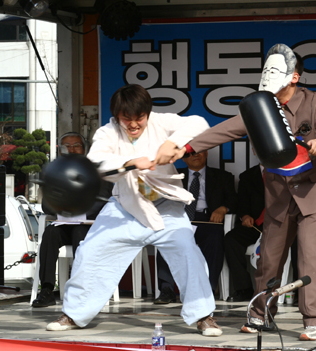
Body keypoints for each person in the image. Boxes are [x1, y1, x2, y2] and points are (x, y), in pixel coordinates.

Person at [183, 44, 316, 341]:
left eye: (276, 70)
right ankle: (261, 315)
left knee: (310, 255)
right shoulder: (260, 106)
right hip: (280, 192)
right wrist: (189, 146)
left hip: (315, 189)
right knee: (269, 256)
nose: (268, 75)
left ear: (293, 76)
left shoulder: (315, 102)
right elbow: (227, 129)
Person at [45, 84, 223, 337]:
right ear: (117, 115)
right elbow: (96, 162)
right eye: (126, 118)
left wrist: (173, 143)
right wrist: (129, 163)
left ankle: (204, 316)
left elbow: (199, 123)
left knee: (188, 253)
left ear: (147, 113)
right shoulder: (107, 133)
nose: (133, 124)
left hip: (166, 209)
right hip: (124, 207)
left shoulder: (162, 123)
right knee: (90, 251)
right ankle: (73, 314)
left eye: (138, 118)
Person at [32, 132, 113, 307]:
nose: (71, 149)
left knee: (79, 233)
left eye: (76, 145)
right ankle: (46, 289)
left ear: (84, 149)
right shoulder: (54, 174)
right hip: (63, 224)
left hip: (89, 225)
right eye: (66, 146)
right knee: (50, 233)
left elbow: (104, 200)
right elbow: (47, 206)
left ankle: (83, 289)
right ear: (60, 150)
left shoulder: (96, 173)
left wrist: (80, 210)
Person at [155, 150, 237, 303]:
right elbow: (162, 200)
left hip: (208, 218)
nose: (195, 156)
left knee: (215, 238)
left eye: (198, 152)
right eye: (189, 154)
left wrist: (223, 208)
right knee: (166, 238)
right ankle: (167, 290)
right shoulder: (175, 176)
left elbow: (233, 199)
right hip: (181, 218)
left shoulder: (223, 176)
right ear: (184, 159)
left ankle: (208, 289)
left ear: (206, 154)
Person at [224, 163, 264, 302]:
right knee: (231, 240)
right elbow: (241, 202)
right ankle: (244, 289)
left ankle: (269, 291)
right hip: (254, 225)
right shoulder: (248, 175)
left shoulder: (287, 170)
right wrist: (245, 215)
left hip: (280, 226)